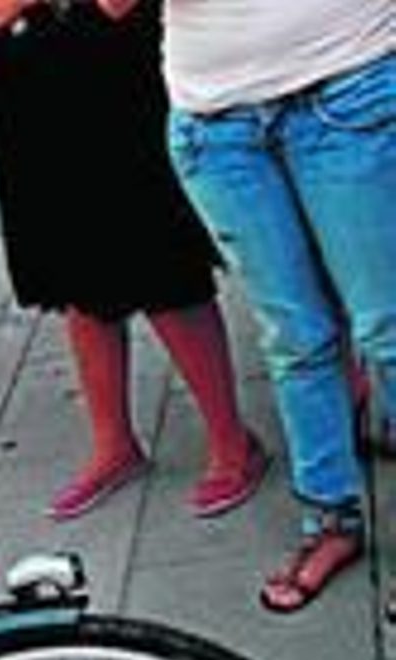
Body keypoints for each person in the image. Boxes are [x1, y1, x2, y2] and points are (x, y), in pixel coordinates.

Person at [0, 0, 267, 522]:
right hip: (12, 72)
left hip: (104, 56)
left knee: (157, 256)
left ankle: (232, 441)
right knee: (69, 267)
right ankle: (114, 444)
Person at [158, 0, 396, 612]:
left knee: (386, 326)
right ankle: (329, 519)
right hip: (214, 122)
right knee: (292, 336)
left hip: (346, 81)